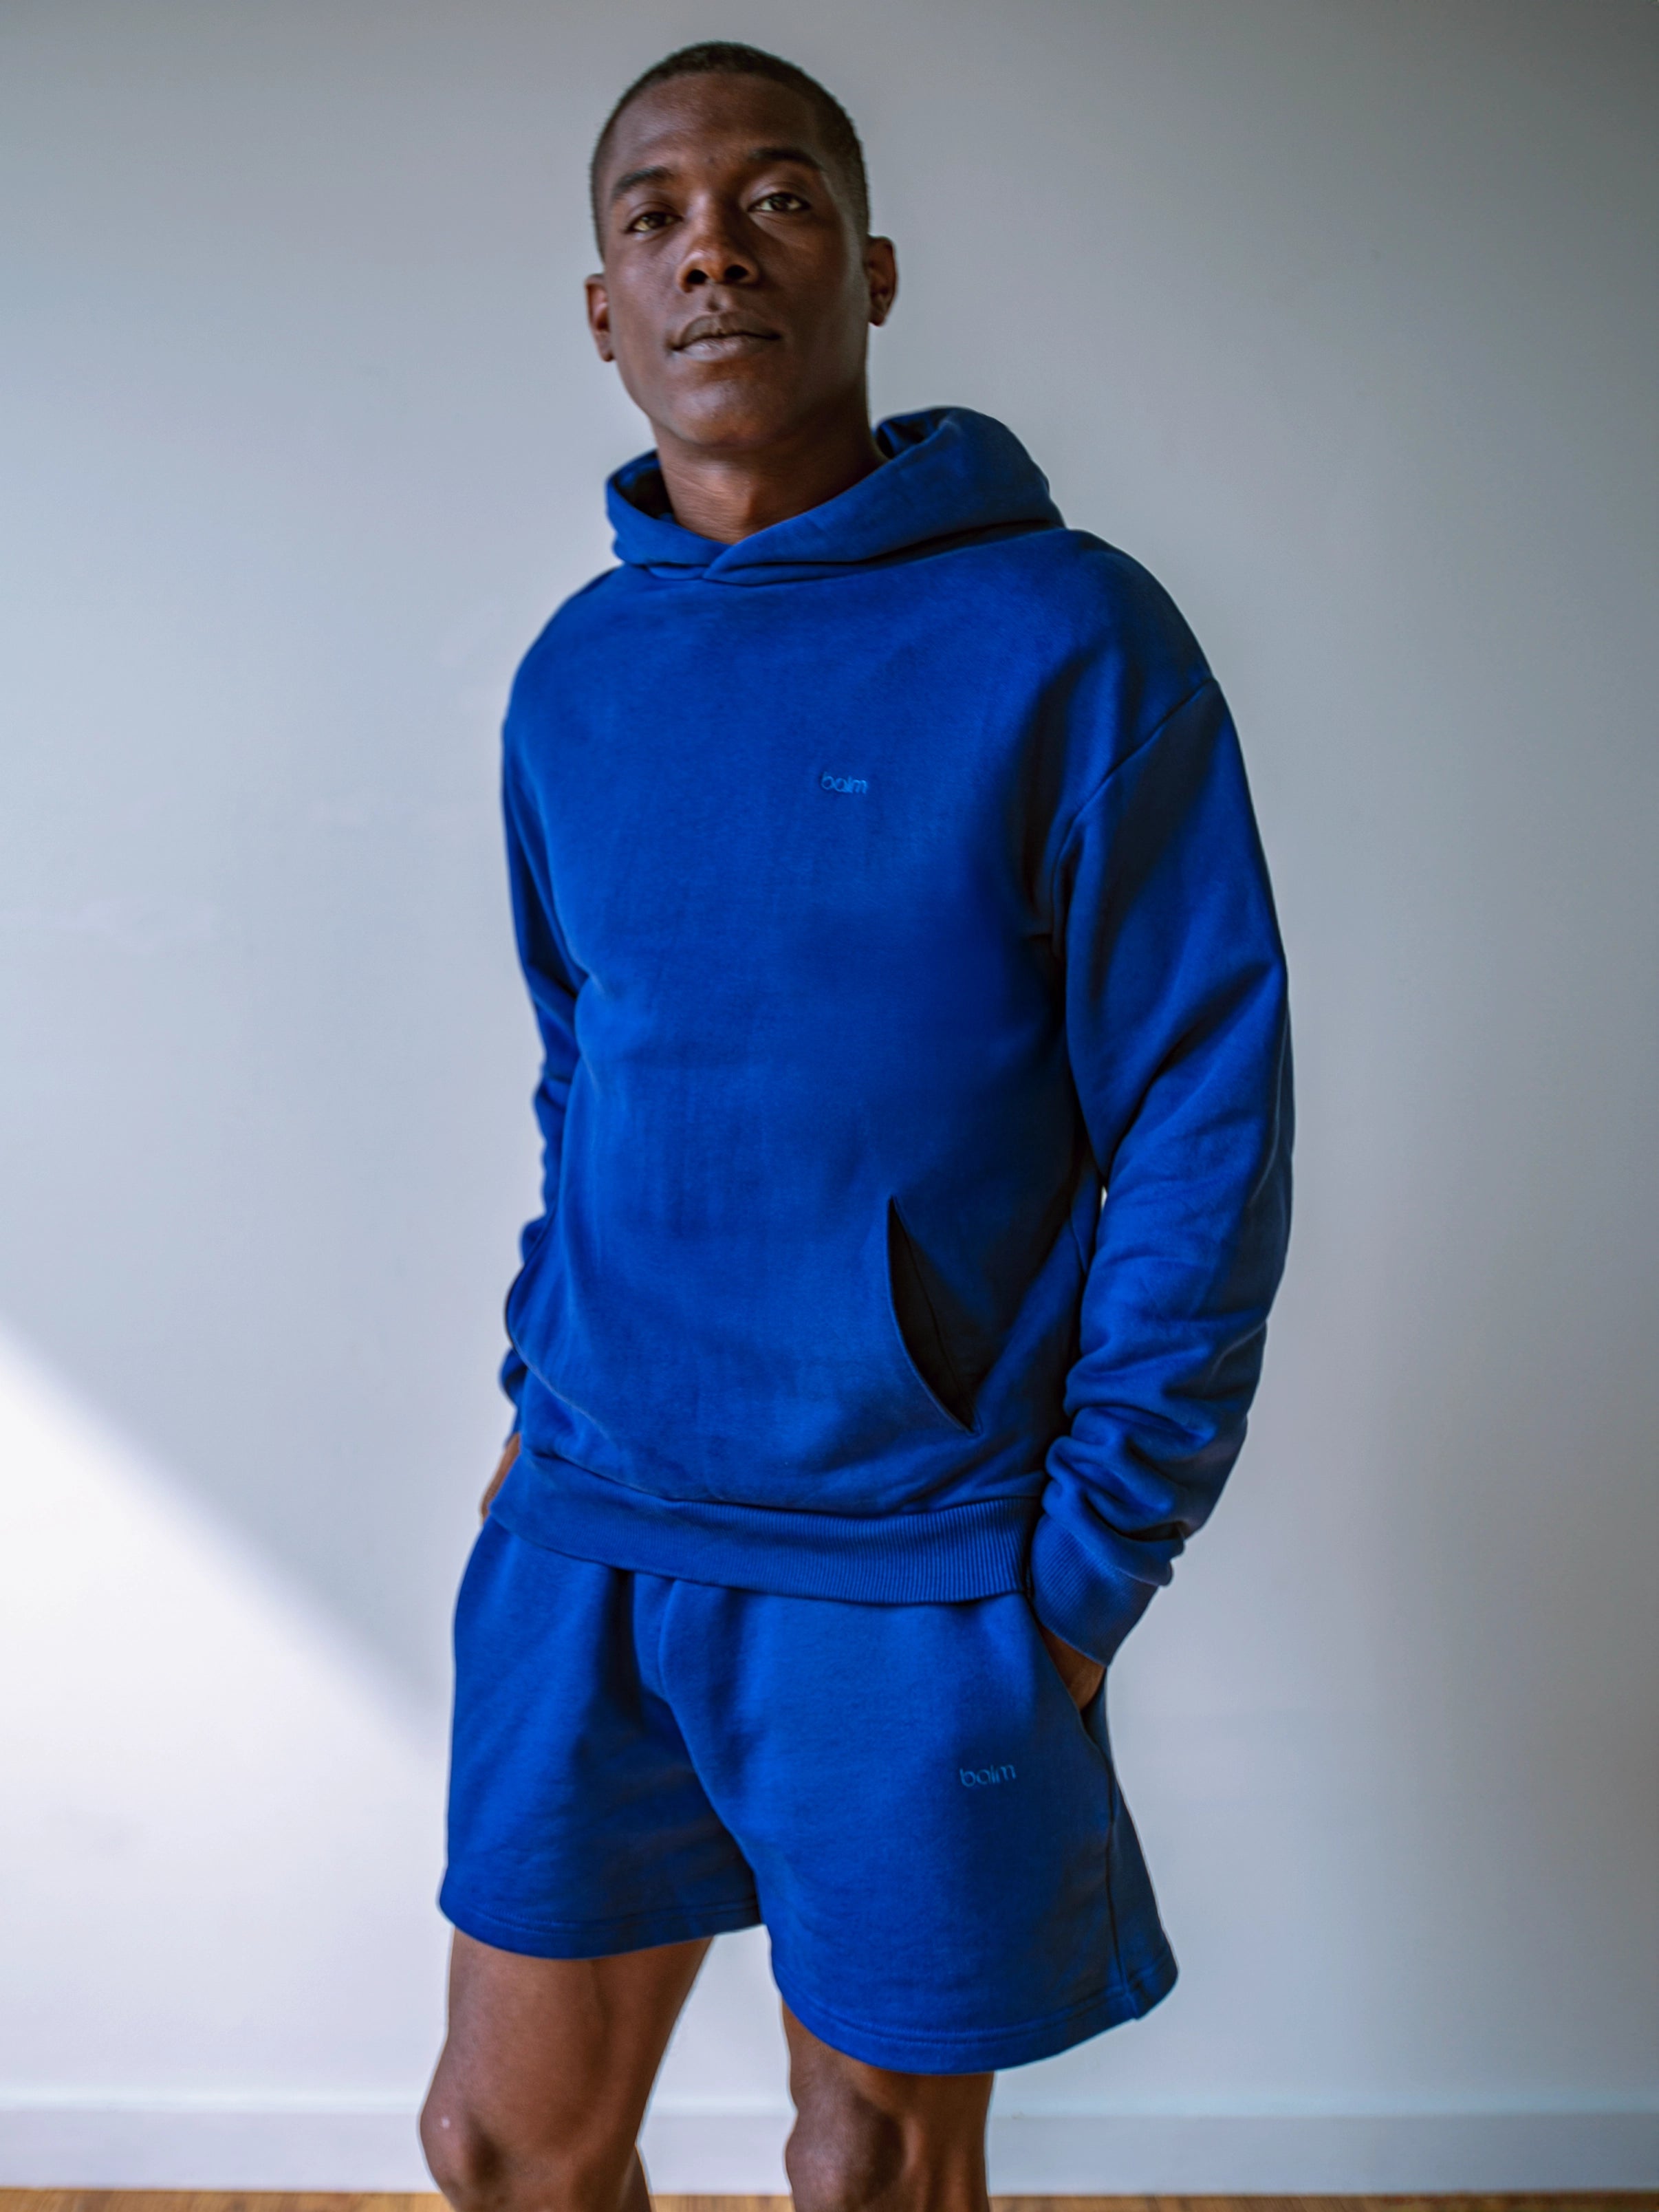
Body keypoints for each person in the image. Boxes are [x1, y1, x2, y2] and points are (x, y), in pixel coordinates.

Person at [420, 41, 1292, 2212]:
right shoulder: (573, 677)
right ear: (603, 309)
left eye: (776, 197)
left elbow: (1201, 1109)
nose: (711, 241)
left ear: (871, 268)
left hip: (914, 1560)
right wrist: (539, 1397)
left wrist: (1088, 1566)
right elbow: (581, 1067)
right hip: (595, 1519)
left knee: (868, 2161)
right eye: (653, 216)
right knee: (504, 2144)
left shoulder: (1066, 635)